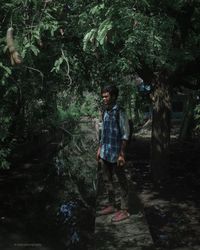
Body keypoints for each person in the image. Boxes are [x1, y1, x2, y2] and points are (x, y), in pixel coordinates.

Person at [96, 85, 130, 222]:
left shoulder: (119, 112)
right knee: (107, 180)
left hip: (116, 154)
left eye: (106, 96)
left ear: (114, 96)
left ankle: (125, 210)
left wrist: (122, 154)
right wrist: (99, 148)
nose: (104, 98)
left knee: (122, 182)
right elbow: (103, 132)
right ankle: (112, 205)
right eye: (103, 96)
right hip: (105, 153)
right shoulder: (105, 111)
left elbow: (125, 134)